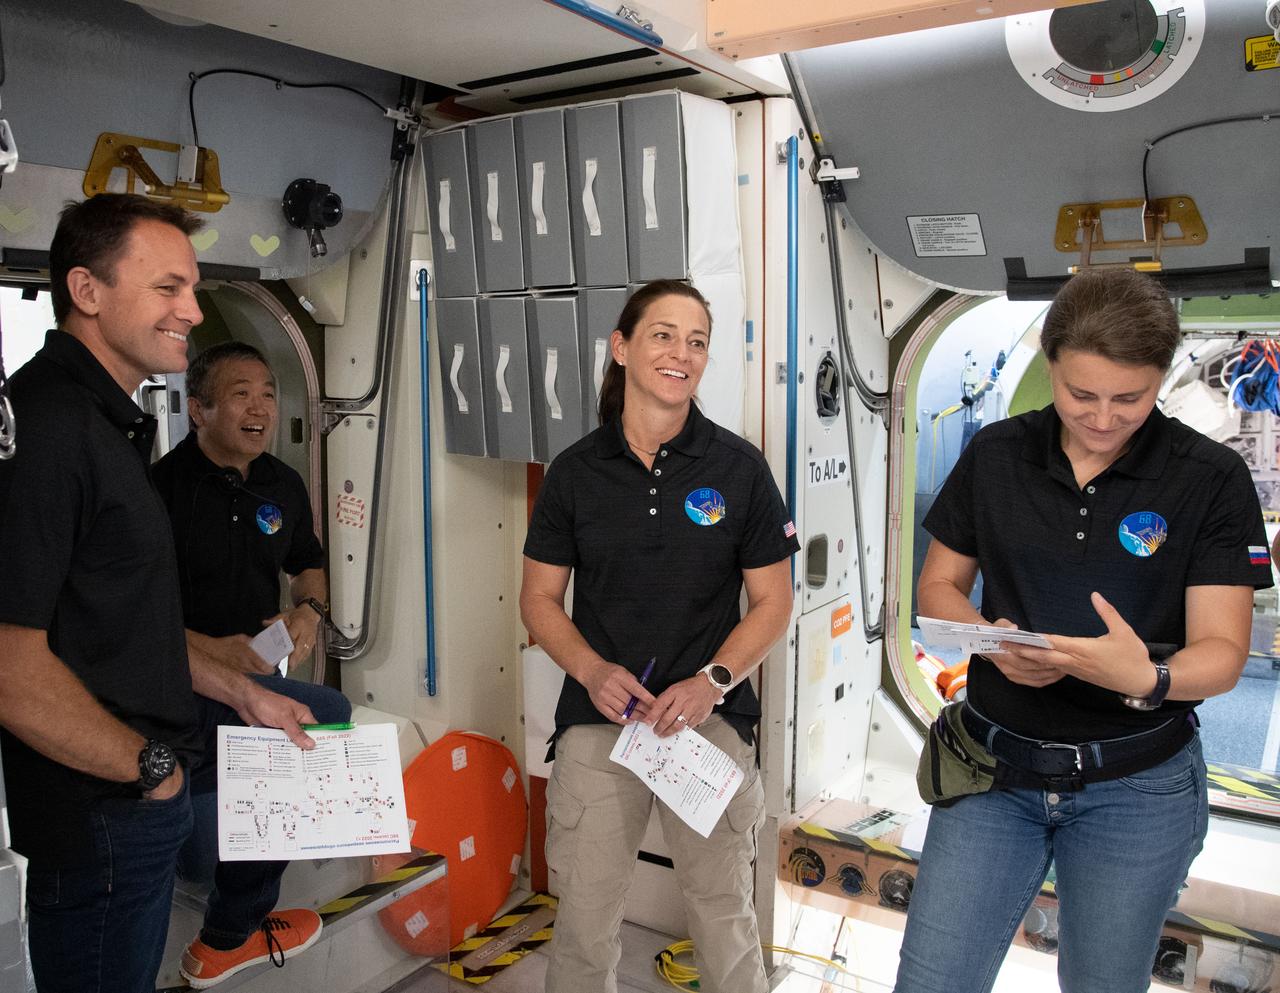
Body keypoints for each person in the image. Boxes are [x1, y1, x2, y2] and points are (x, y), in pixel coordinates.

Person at [895, 268, 1272, 993]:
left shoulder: (1210, 478)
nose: (1102, 417)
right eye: (1080, 394)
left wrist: (1150, 678)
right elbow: (938, 591)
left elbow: (1222, 655)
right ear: (1048, 358)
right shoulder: (997, 453)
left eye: (1129, 399)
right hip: (993, 770)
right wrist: (993, 641)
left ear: (1162, 375)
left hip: (1137, 786)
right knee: (930, 983)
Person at [520, 280, 798, 993]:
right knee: (583, 919)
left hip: (707, 721)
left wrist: (713, 681)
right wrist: (590, 670)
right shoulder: (575, 473)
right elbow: (540, 599)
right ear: (622, 348)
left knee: (724, 916)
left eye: (697, 340)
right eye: (664, 335)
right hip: (602, 717)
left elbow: (773, 601)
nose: (682, 353)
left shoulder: (740, 470)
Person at [0, 194, 200, 992]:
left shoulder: (105, 424)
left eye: (192, 288)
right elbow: (10, 667)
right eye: (168, 288)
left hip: (127, 803)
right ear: (86, 290)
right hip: (103, 812)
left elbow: (107, 619)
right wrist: (150, 767)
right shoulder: (49, 429)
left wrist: (235, 688)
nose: (192, 308)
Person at [150, 340, 351, 987]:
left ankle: (240, 912)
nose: (260, 406)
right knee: (265, 752)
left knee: (328, 715)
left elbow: (308, 564)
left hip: (262, 675)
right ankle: (228, 930)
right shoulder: (160, 491)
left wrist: (308, 613)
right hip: (178, 682)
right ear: (199, 408)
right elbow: (132, 615)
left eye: (268, 391)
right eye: (241, 393)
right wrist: (214, 651)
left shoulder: (282, 483)